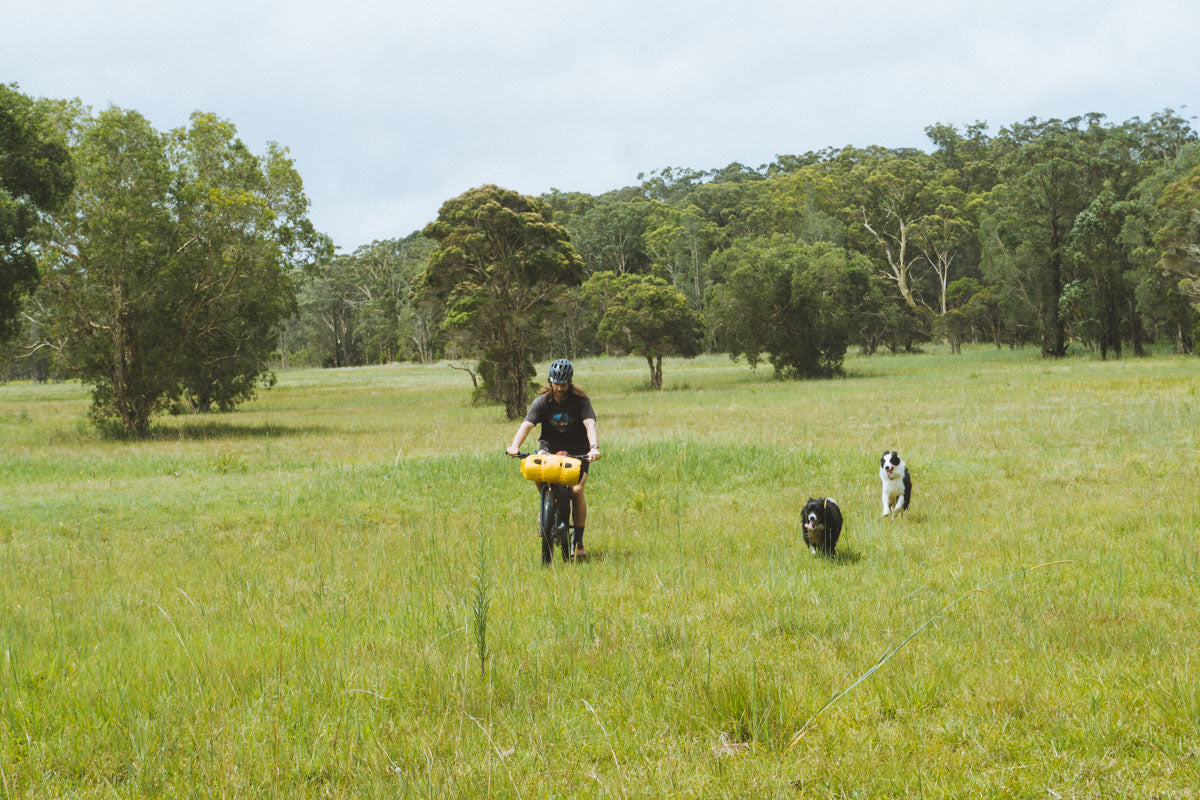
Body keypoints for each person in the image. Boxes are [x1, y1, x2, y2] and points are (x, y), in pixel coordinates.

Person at [506, 358, 600, 558]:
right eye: (556, 383)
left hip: (577, 451)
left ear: (570, 382)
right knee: (538, 472)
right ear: (550, 381)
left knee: (576, 490)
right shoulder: (542, 401)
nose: (560, 388)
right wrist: (515, 446)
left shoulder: (581, 401)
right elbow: (527, 425)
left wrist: (593, 447)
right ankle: (545, 506)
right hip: (549, 448)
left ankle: (579, 541)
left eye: (563, 383)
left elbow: (590, 423)